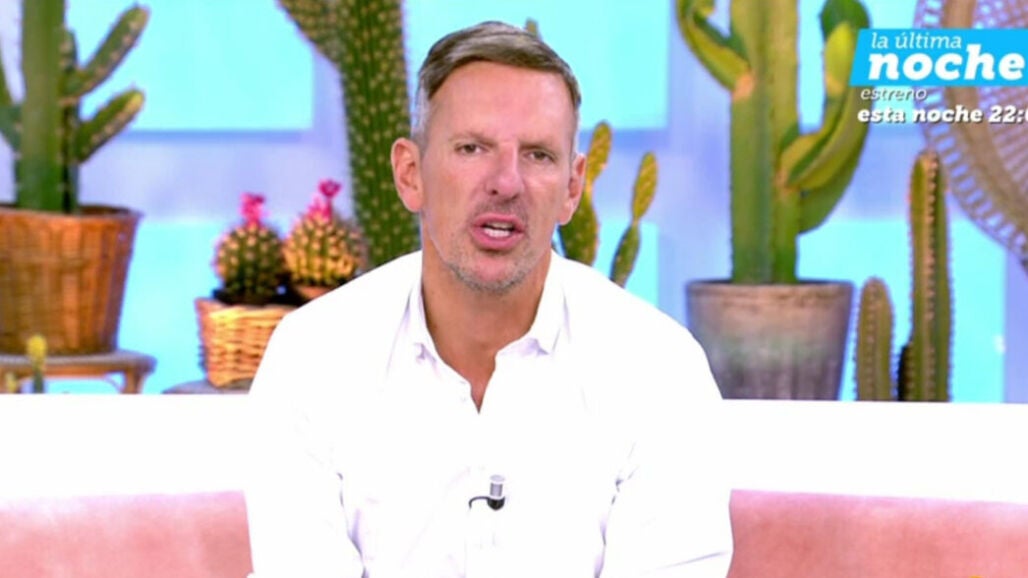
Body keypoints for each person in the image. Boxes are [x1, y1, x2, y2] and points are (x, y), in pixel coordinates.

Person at [246, 20, 733, 578]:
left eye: (538, 155)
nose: (506, 182)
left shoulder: (659, 368)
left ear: (573, 188)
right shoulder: (312, 356)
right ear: (410, 174)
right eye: (472, 148)